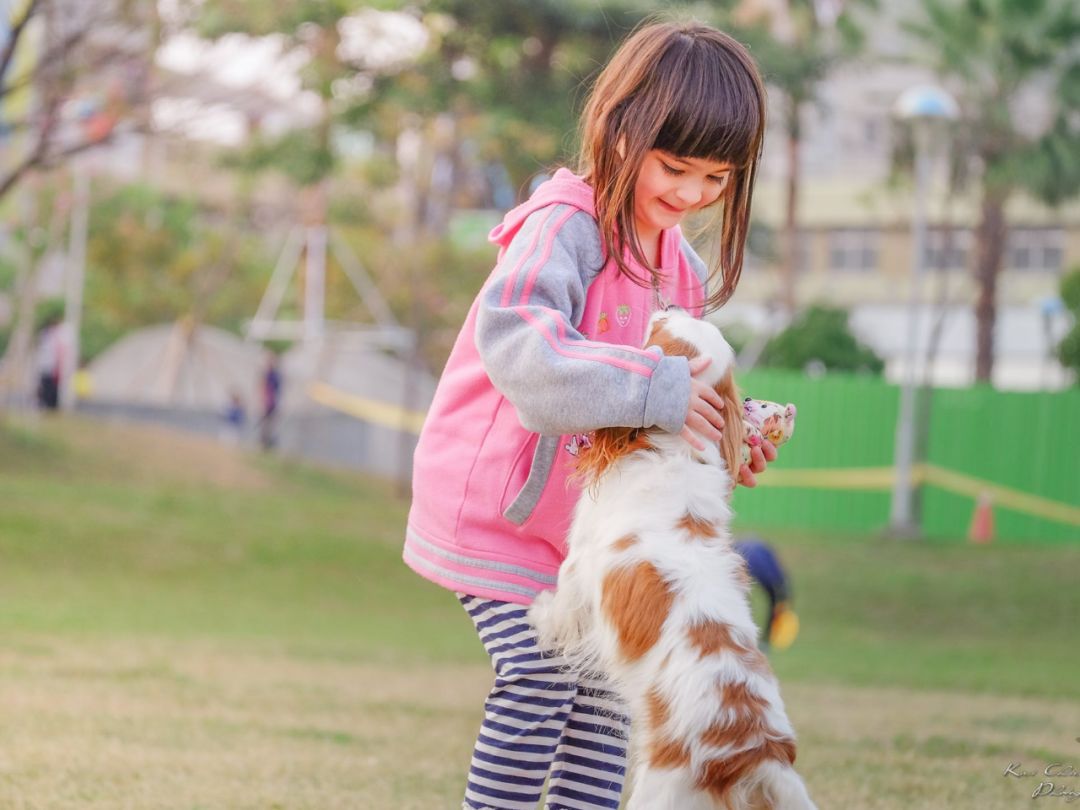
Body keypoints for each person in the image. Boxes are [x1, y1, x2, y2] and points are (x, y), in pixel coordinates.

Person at [404, 20, 774, 810]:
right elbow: (527, 355)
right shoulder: (563, 228)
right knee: (538, 674)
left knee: (609, 698)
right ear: (619, 128)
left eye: (716, 178)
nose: (691, 195)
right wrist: (666, 391)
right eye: (675, 167)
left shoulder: (680, 263)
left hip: (591, 529)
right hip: (500, 513)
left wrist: (730, 430)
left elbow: (675, 390)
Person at [734, 537, 799, 651]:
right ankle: (758, 641)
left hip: (757, 562)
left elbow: (777, 592)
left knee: (775, 601)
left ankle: (764, 642)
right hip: (748, 558)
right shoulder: (739, 560)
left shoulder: (767, 573)